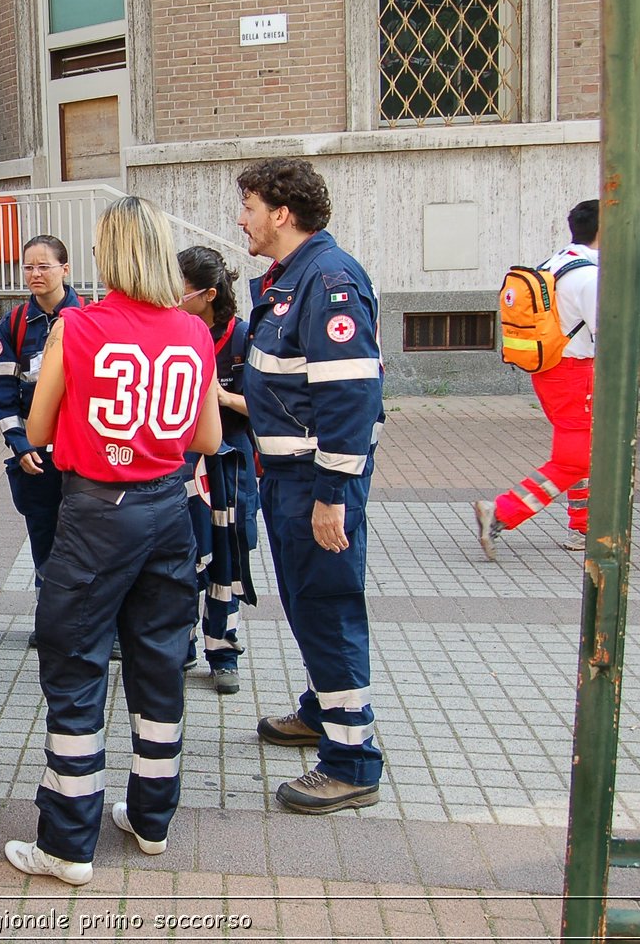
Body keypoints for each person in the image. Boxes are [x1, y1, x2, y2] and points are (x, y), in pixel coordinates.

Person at [4, 196, 222, 886]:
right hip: (168, 510)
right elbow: (209, 440)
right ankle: (151, 820)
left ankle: (68, 844)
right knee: (159, 664)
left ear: (108, 253)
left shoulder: (77, 327)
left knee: (75, 669)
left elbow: (36, 431)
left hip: (97, 513)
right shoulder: (194, 331)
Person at [236, 157, 385, 815]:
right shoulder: (290, 279)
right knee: (306, 603)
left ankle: (351, 761)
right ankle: (324, 711)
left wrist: (331, 495)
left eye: (249, 206)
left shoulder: (326, 281)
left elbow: (351, 395)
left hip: (316, 484)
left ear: (282, 212)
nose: (242, 218)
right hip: (290, 478)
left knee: (328, 607)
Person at [473, 200, 640, 557]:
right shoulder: (591, 276)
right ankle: (501, 511)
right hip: (575, 375)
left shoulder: (556, 262)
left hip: (549, 371)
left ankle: (584, 527)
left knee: (585, 450)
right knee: (575, 458)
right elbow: (612, 337)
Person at [0, 235, 84, 651]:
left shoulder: (88, 319)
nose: (35, 274)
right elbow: (2, 393)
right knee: (44, 537)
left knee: (86, 541)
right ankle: (50, 622)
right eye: (28, 267)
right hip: (36, 457)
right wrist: (20, 444)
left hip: (81, 456)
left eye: (44, 266)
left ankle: (94, 623)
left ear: (65, 269)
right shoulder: (13, 325)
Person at [177, 245, 258, 694]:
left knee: (228, 555)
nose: (173, 296)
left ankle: (223, 651)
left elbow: (264, 406)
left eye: (181, 290)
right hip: (185, 465)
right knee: (184, 556)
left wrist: (219, 396)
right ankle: (183, 645)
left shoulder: (244, 337)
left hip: (231, 467)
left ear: (208, 294)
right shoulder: (174, 331)